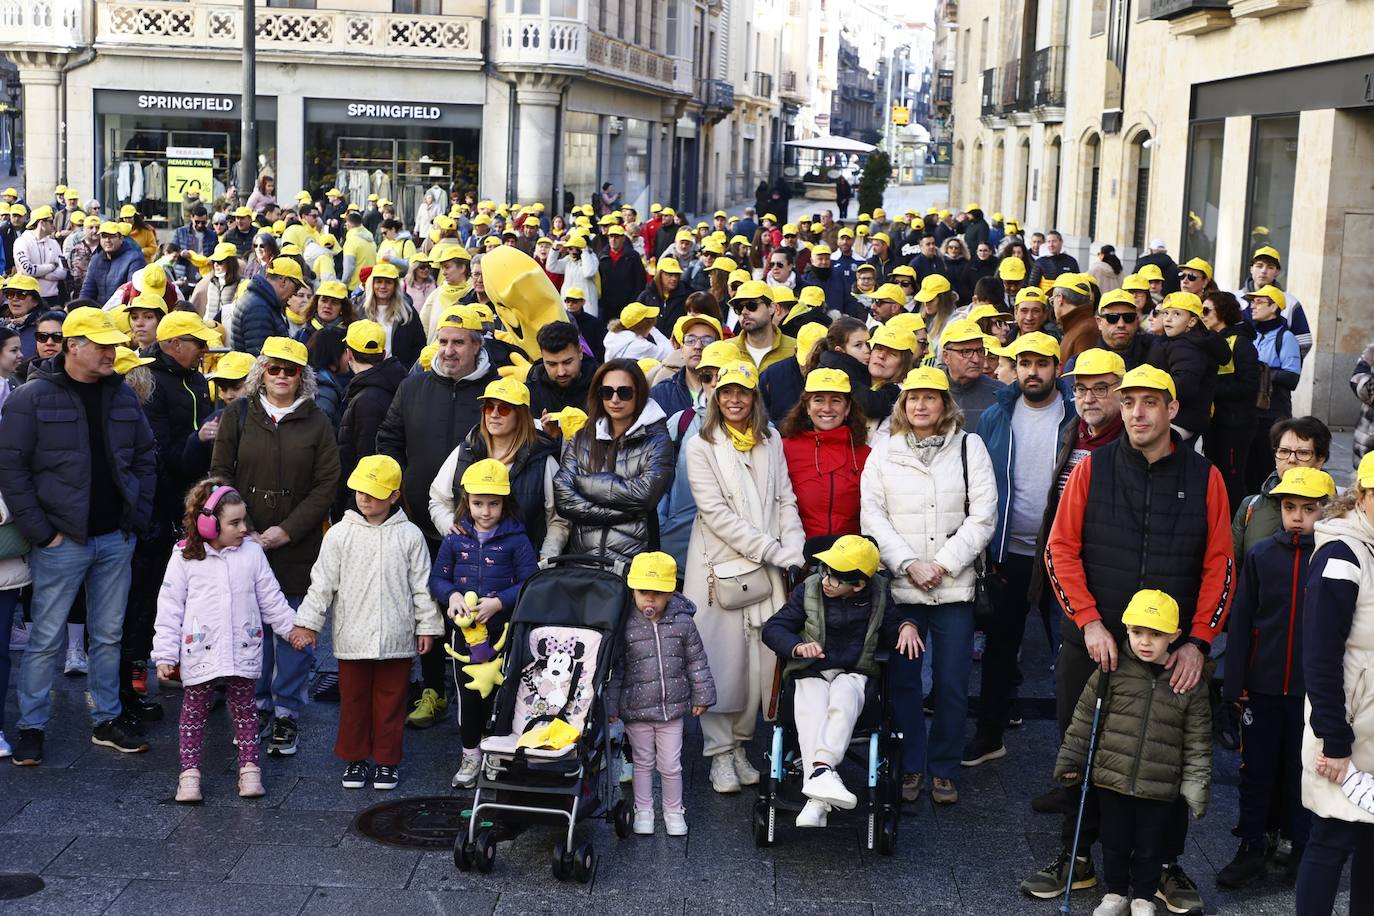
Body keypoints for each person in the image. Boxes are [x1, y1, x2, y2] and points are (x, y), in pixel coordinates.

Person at [1032, 365, 1232, 912]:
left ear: (1171, 410)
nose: (1137, 413)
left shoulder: (1206, 476)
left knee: (1166, 762)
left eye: (1150, 402)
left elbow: (1221, 564)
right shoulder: (1092, 469)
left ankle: (1163, 866)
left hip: (1175, 652)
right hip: (1093, 643)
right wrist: (1090, 622)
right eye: (1130, 402)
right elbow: (1060, 550)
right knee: (1083, 754)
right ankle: (1077, 856)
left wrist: (1198, 641)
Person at [0, 307, 157, 765]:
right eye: (102, 345)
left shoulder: (122, 395)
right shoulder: (32, 397)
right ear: (73, 346)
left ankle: (106, 719)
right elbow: (11, 468)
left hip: (114, 538)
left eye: (114, 345)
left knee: (107, 635)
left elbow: (146, 457)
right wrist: (40, 531)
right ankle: (31, 726)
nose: (111, 353)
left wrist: (137, 518)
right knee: (45, 638)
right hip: (60, 540)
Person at [860, 366, 997, 805]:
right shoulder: (884, 450)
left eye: (930, 398)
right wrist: (908, 564)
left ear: (945, 404)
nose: (921, 405)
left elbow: (983, 514)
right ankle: (911, 765)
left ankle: (943, 768)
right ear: (903, 405)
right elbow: (873, 516)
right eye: (913, 398)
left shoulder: (969, 447)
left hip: (953, 587)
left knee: (953, 682)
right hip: (903, 588)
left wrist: (941, 564)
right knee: (903, 682)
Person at [209, 336, 341, 757]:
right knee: (252, 630)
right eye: (274, 368)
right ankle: (257, 706)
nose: (282, 376)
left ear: (302, 376)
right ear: (261, 370)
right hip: (243, 542)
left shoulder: (318, 421)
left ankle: (286, 712)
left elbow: (326, 486)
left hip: (296, 546)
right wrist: (241, 526)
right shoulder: (239, 413)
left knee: (296, 632)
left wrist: (288, 530)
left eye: (291, 369)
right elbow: (219, 473)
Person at [684, 361, 805, 793]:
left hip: (769, 566)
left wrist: (793, 545)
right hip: (720, 567)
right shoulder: (700, 444)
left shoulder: (770, 439)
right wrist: (773, 549)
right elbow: (715, 513)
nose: (734, 399)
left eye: (743, 392)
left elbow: (784, 496)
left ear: (755, 397)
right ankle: (717, 753)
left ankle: (739, 746)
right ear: (716, 397)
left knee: (760, 663)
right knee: (722, 659)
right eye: (726, 392)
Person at [1054, 589, 1212, 916]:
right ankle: (1114, 894)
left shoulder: (1188, 682)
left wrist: (1196, 784)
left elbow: (1198, 738)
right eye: (1137, 632)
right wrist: (1072, 760)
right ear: (1125, 629)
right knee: (1114, 841)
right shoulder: (1113, 670)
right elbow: (1084, 718)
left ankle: (1142, 897)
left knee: (1151, 845)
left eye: (1156, 635)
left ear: (1175, 636)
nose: (1145, 642)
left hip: (1160, 783)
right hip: (1112, 776)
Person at [290, 454, 442, 791]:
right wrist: (308, 623)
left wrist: (427, 626)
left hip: (396, 637)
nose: (365, 497)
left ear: (394, 495)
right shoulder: (340, 534)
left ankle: (387, 761)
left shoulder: (410, 536)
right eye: (361, 490)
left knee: (392, 702)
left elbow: (422, 586)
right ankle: (355, 759)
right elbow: (322, 583)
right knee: (354, 702)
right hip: (352, 637)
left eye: (374, 492)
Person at [1216, 466, 1334, 888]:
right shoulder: (1262, 555)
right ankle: (1251, 844)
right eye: (1289, 508)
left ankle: (1302, 849)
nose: (1298, 517)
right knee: (1256, 769)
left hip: (1311, 693)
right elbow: (1243, 618)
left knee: (1302, 772)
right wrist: (1234, 686)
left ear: (1327, 510)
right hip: (1262, 688)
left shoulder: (1335, 557)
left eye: (1308, 508)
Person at [964, 332, 1076, 768]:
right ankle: (989, 735)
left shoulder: (1073, 415)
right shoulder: (996, 415)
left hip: (1062, 554)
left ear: (1056, 367)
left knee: (1070, 654)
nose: (1033, 372)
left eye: (1041, 363)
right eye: (1024, 363)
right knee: (999, 648)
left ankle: (1075, 755)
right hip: (1008, 551)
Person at [151, 480, 299, 802]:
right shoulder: (184, 558)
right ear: (208, 523)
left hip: (242, 649)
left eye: (244, 520)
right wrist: (164, 654)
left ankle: (250, 771)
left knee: (246, 710)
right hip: (201, 651)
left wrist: (292, 630)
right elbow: (170, 608)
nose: (244, 528)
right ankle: (189, 777)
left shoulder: (252, 554)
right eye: (235, 522)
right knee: (193, 713)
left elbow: (271, 599)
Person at [762, 535, 922, 826]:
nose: (826, 581)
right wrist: (797, 647)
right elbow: (774, 628)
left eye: (835, 579)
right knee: (811, 706)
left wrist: (907, 627)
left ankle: (817, 790)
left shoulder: (878, 596)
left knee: (844, 697)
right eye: (825, 572)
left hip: (854, 671)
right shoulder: (808, 590)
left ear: (859, 584)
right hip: (811, 669)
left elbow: (893, 624)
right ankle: (822, 780)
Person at [1295, 452, 1374, 913]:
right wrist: (1334, 737)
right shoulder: (1342, 552)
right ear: (1362, 495)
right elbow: (1320, 654)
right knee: (1332, 838)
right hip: (1345, 725)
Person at [430, 458, 538, 787]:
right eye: (478, 503)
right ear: (467, 501)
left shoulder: (517, 539)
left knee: (504, 693)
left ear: (505, 503)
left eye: (493, 504)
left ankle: (496, 754)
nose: (486, 512)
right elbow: (437, 579)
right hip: (466, 636)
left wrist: (500, 601)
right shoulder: (455, 538)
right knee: (468, 695)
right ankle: (471, 754)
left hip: (503, 632)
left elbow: (530, 581)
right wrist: (451, 596)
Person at [608, 551, 716, 837]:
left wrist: (702, 695)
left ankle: (673, 809)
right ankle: (644, 809)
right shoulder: (625, 624)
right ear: (633, 591)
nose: (650, 600)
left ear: (671, 593)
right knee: (642, 763)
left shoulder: (683, 623)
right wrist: (611, 705)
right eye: (644, 593)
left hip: (672, 709)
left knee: (670, 764)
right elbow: (617, 668)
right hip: (636, 708)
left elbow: (696, 660)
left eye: (658, 593)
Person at [428, 376, 564, 560]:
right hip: (468, 566)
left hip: (522, 573)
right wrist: (449, 526)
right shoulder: (465, 452)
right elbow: (438, 499)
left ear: (521, 415)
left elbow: (558, 519)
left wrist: (545, 558)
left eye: (505, 408)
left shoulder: (542, 460)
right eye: (489, 407)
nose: (494, 414)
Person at [553, 359, 674, 564]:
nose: (615, 399)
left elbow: (645, 495)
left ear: (639, 394)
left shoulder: (658, 439)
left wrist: (585, 483)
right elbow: (563, 497)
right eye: (607, 392)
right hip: (583, 561)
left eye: (624, 392)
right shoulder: (583, 437)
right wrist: (620, 513)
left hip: (633, 565)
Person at [779, 367, 871, 545]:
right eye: (818, 400)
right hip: (798, 556)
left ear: (847, 408)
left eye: (836, 401)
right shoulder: (785, 449)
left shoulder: (865, 455)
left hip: (851, 558)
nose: (827, 408)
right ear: (807, 406)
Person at [1233, 416, 1333, 566]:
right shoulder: (1250, 506)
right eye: (1284, 451)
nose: (1291, 459)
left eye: (1303, 453)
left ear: (1320, 459)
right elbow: (1234, 566)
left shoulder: (1334, 509)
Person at [1197, 290, 1261, 512]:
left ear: (1223, 312)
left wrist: (1211, 389)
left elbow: (1250, 385)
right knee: (1215, 474)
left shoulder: (1241, 343)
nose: (1201, 315)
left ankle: (1235, 526)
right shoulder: (1211, 341)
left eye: (1206, 310)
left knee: (1232, 478)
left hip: (1236, 425)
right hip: (1214, 423)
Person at [335, 321, 407, 513]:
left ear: (349, 354)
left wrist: (353, 507)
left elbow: (366, 458)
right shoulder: (397, 383)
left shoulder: (367, 400)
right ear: (383, 354)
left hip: (369, 505)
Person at [1145, 292, 1229, 443]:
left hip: (1181, 420)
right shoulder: (1171, 341)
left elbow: (1183, 386)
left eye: (1176, 314)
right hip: (1171, 415)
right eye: (1166, 313)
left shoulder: (1189, 346)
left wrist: (1150, 393)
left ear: (1191, 322)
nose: (1168, 319)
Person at [1244, 284, 1303, 494]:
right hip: (1252, 413)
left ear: (1274, 307)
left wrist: (1262, 373)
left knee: (1267, 467)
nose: (1253, 306)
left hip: (1273, 414)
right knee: (1249, 468)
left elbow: (1292, 377)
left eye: (1259, 302)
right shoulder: (1253, 334)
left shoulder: (1285, 337)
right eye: (1252, 301)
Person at [650, 313, 722, 419]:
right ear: (682, 349)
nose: (698, 346)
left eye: (707, 341)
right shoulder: (661, 393)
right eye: (690, 340)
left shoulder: (732, 394)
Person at [939, 318, 1004, 430]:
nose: (976, 359)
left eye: (979, 351)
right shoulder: (931, 390)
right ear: (946, 356)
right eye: (966, 352)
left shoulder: (1000, 393)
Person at [357, 261, 424, 368]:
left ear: (395, 286)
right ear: (372, 284)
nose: (383, 286)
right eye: (378, 281)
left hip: (398, 375)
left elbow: (419, 346)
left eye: (388, 282)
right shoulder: (360, 311)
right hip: (366, 373)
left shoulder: (407, 313)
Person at [233, 258, 303, 356]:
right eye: (297, 286)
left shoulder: (262, 302)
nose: (295, 293)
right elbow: (261, 359)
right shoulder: (259, 309)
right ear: (283, 281)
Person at [728, 280, 796, 372]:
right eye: (739, 308)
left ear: (772, 308)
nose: (744, 312)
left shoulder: (794, 349)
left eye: (751, 306)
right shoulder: (727, 349)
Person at [14, 206, 68, 306]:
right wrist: (51, 267)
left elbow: (63, 271)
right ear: (41, 223)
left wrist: (42, 274)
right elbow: (28, 270)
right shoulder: (21, 242)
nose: (54, 225)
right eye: (51, 222)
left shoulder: (54, 243)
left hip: (53, 298)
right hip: (29, 297)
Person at [80, 221, 146, 304]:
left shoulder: (135, 258)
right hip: (98, 313)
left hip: (122, 312)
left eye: (112, 236)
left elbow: (133, 292)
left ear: (121, 239)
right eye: (104, 237)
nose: (107, 240)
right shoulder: (95, 259)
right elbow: (87, 291)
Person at [190, 242, 242, 323]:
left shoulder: (240, 283)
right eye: (214, 261)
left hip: (229, 329)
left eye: (220, 261)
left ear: (230, 263)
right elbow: (208, 308)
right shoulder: (212, 282)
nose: (216, 265)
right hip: (211, 328)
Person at [604, 302, 672, 362]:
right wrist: (653, 330)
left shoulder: (612, 335)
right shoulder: (642, 346)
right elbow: (669, 354)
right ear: (643, 326)